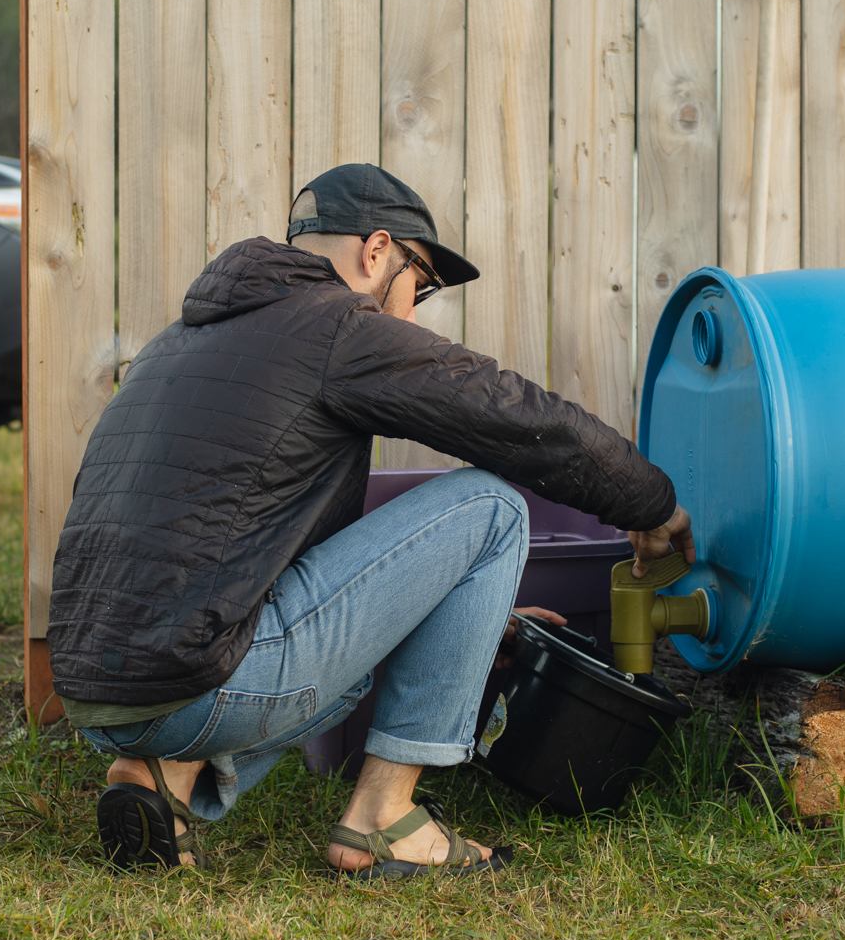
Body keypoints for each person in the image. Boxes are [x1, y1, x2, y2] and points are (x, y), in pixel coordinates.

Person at [49, 164, 694, 877]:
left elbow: (265, 558)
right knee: (492, 507)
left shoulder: (177, 342)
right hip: (196, 681)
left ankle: (161, 778)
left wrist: (489, 624)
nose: (415, 313)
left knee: (266, 634)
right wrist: (649, 500)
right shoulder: (338, 327)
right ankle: (384, 820)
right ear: (377, 251)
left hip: (93, 691)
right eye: (421, 283)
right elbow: (513, 415)